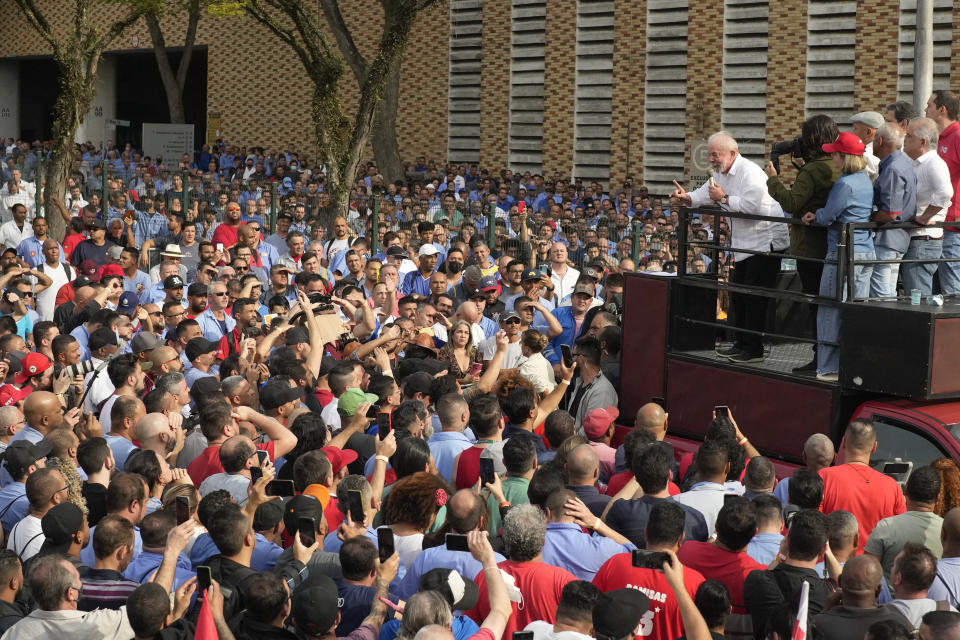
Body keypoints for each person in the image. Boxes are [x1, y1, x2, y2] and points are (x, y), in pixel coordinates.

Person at [671, 132, 788, 363]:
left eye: (716, 155)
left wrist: (724, 199)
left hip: (765, 242)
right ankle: (742, 343)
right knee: (740, 297)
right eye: (710, 155)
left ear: (732, 154)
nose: (712, 159)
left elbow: (753, 207)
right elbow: (706, 192)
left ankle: (753, 349)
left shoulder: (750, 172)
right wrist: (687, 198)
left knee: (754, 298)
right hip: (743, 244)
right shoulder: (720, 173)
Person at [765, 115, 837, 373]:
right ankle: (827, 357)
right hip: (828, 244)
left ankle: (820, 357)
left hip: (809, 246)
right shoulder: (835, 164)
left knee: (815, 303)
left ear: (812, 139)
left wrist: (773, 179)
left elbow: (793, 203)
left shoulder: (814, 169)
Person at [593, 500, 706, 640]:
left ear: (645, 532)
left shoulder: (615, 564)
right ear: (681, 538)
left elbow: (590, 612)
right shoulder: (695, 582)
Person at [465, 504, 576, 639]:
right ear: (543, 541)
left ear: (506, 540)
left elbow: (470, 628)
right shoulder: (563, 581)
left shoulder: (485, 577)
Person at [819, 419, 906, 553]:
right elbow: (899, 534)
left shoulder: (824, 477)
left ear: (843, 442)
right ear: (874, 447)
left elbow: (813, 525)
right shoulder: (892, 487)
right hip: (872, 570)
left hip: (829, 567)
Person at [866, 465, 944, 586]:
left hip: (888, 603)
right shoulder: (947, 531)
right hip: (933, 603)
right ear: (938, 498)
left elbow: (867, 572)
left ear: (906, 491)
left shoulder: (885, 527)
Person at [902, 117, 954, 295]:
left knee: (917, 298)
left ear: (922, 141)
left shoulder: (934, 163)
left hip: (923, 240)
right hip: (918, 239)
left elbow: (946, 192)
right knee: (916, 296)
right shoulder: (917, 162)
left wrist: (925, 217)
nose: (905, 139)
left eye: (909, 136)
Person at [868, 122, 917, 300]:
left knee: (881, 295)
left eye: (873, 140)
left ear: (880, 141)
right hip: (897, 238)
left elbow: (890, 212)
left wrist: (868, 217)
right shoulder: (903, 164)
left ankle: (885, 328)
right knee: (887, 292)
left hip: (887, 239)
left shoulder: (893, 168)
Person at [813, 555, 911, 640]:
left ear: (840, 582)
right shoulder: (900, 624)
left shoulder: (819, 625)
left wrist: (825, 612)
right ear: (879, 590)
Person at [926, 91, 960, 294]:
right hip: (936, 223)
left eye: (929, 105)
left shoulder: (957, 136)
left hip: (952, 227)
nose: (925, 109)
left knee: (952, 290)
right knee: (936, 292)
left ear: (942, 110)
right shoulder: (937, 138)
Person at [883, 543, 957, 629]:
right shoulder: (952, 616)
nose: (891, 568)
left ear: (898, 578)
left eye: (893, 565)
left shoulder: (881, 621)